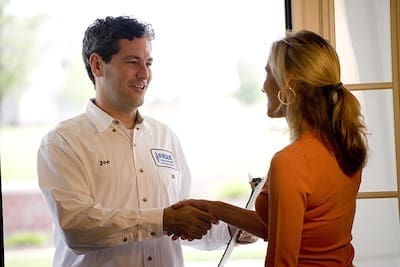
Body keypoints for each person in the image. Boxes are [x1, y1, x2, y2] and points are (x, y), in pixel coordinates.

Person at [37, 15, 232, 267]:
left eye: (149, 63)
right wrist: (163, 220)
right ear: (97, 65)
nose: (145, 74)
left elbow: (181, 227)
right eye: (132, 62)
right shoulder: (63, 142)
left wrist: (232, 231)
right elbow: (77, 228)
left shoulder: (165, 137)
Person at [174, 30, 368, 266]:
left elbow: (281, 259)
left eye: (268, 73)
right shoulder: (342, 144)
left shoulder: (291, 161)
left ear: (289, 84)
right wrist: (212, 207)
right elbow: (288, 230)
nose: (264, 87)